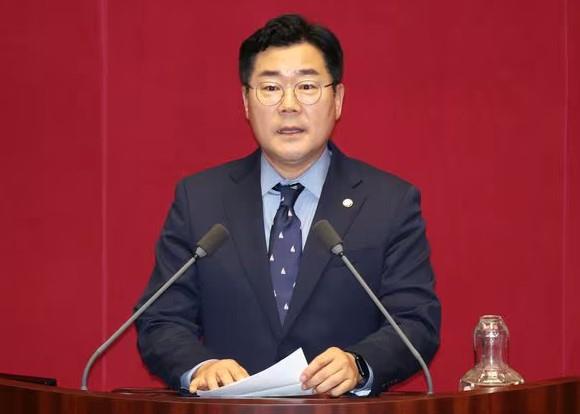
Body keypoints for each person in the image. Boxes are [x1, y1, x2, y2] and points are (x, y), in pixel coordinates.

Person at [135, 14, 440, 397]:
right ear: (246, 102)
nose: (289, 105)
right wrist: (202, 367)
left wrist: (359, 364)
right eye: (270, 88)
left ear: (338, 100)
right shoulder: (200, 199)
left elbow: (415, 322)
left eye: (307, 86)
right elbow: (160, 319)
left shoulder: (389, 202)